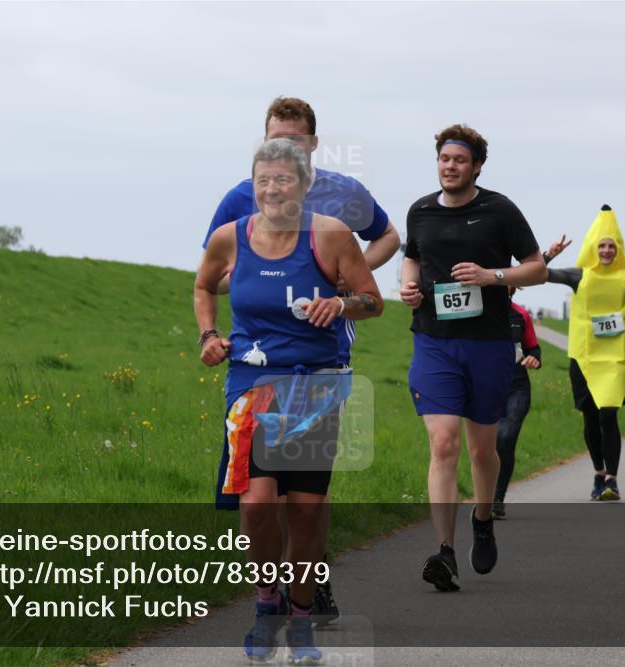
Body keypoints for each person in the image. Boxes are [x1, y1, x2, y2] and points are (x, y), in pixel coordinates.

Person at [204, 96, 400, 623]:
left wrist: (343, 278)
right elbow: (214, 275)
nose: (284, 148)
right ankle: (278, 590)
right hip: (258, 360)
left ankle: (311, 578)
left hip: (323, 350)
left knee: (307, 496)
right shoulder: (241, 196)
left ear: (313, 144)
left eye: (294, 140)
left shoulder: (344, 193)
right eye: (275, 139)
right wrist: (250, 283)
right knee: (263, 495)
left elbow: (387, 237)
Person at [400, 124, 546, 591]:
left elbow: (537, 269)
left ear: (477, 166)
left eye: (460, 160)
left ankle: (482, 519)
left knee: (484, 450)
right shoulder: (420, 211)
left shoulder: (500, 210)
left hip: (487, 344)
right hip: (434, 341)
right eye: (444, 158)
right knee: (444, 444)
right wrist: (407, 285)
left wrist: (491, 276)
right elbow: (412, 257)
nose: (450, 166)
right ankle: (444, 552)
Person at [542, 206, 625, 502]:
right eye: (602, 246)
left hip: (613, 358)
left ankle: (612, 480)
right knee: (590, 418)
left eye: (611, 246)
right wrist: (549, 255)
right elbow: (539, 274)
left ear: (619, 248)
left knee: (608, 414)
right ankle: (599, 472)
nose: (607, 251)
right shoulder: (579, 275)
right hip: (583, 357)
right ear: (592, 248)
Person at [492, 289, 542, 519]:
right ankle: (486, 495)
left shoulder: (521, 314)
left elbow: (533, 348)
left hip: (516, 388)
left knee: (505, 438)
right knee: (487, 446)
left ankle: (497, 498)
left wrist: (534, 358)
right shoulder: (479, 313)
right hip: (487, 388)